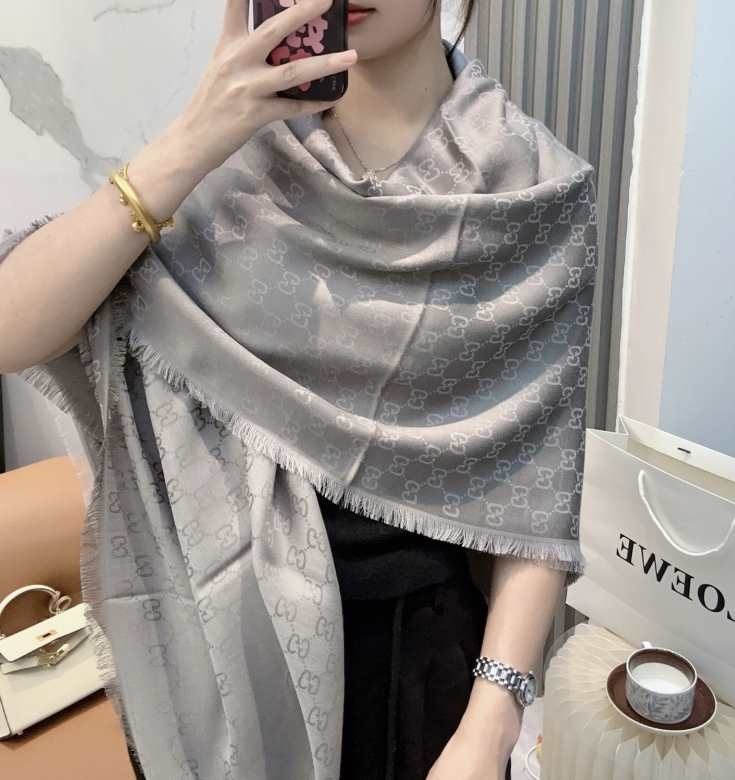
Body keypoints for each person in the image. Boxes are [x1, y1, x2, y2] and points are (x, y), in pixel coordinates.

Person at [1, 0, 598, 777]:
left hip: (410, 659)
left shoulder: (532, 191)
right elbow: (13, 329)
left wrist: (491, 725)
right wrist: (195, 136)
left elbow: (536, 490)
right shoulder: (232, 158)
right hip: (213, 649)